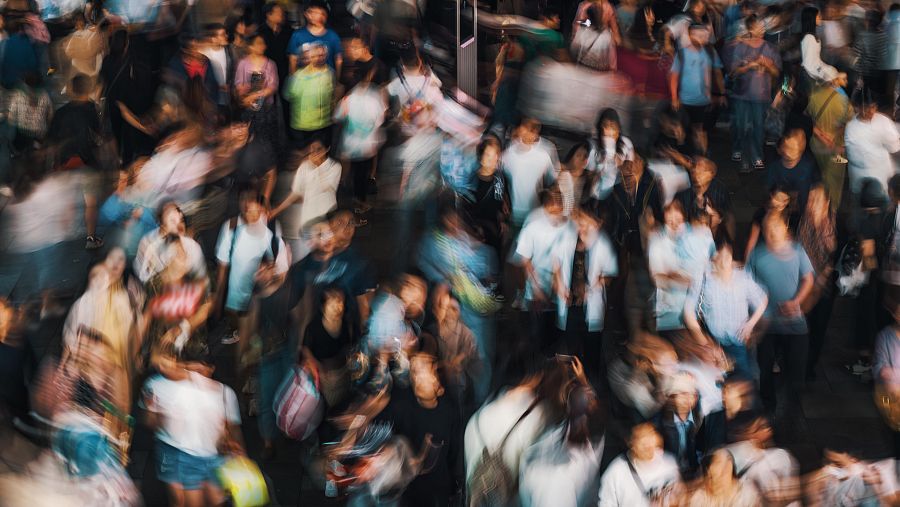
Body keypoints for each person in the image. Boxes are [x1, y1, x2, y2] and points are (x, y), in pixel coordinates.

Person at [141, 347, 244, 507]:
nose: (197, 374)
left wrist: (239, 453)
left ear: (212, 368)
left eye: (201, 369)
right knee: (181, 501)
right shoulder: (172, 389)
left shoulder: (225, 393)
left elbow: (234, 428)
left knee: (218, 501)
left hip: (216, 457)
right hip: (182, 454)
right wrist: (159, 414)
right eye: (191, 369)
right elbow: (152, 423)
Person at [746, 214, 814, 415]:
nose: (771, 232)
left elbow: (808, 279)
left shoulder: (798, 251)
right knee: (764, 368)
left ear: (785, 228)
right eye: (767, 228)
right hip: (767, 323)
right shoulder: (756, 254)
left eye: (775, 227)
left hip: (794, 323)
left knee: (796, 370)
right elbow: (748, 285)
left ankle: (793, 406)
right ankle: (768, 405)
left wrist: (796, 302)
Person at [684, 240, 767, 376]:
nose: (723, 262)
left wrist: (750, 324)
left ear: (732, 258)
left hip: (738, 343)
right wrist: (706, 343)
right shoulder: (703, 279)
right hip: (713, 343)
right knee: (716, 384)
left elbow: (762, 299)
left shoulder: (742, 277)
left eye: (727, 257)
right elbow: (688, 313)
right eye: (718, 257)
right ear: (712, 260)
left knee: (743, 382)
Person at [552, 209, 618, 377]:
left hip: (591, 306)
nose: (581, 228)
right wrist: (559, 284)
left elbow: (610, 275)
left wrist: (592, 288)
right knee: (570, 349)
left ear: (596, 224)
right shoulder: (568, 238)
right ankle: (570, 386)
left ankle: (591, 386)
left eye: (586, 224)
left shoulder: (603, 244)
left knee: (592, 351)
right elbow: (556, 262)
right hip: (570, 304)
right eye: (579, 223)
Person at [270, 139, 341, 260]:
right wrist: (276, 210)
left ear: (326, 149)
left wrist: (317, 167)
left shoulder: (335, 167)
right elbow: (296, 193)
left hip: (325, 218)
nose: (314, 152)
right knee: (302, 255)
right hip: (307, 219)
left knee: (324, 251)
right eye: (311, 149)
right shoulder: (304, 166)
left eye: (318, 149)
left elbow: (326, 188)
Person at [727, 15, 781, 172]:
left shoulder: (770, 48)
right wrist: (750, 66)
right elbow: (733, 72)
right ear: (750, 29)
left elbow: (777, 73)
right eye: (759, 27)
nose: (762, 29)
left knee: (758, 127)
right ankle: (741, 154)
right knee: (741, 126)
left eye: (763, 27)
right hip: (741, 94)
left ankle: (757, 156)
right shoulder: (741, 47)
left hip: (761, 96)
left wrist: (768, 66)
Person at [332, 68, 388, 215]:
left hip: (350, 144)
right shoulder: (374, 99)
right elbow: (380, 119)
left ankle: (353, 200)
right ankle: (360, 203)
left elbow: (337, 117)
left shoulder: (347, 99)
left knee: (355, 173)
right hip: (367, 145)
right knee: (363, 174)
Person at [799, 185, 838, 380]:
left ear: (827, 203)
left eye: (817, 200)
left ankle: (809, 367)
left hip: (824, 289)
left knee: (818, 328)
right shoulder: (802, 223)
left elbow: (836, 260)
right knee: (802, 327)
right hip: (804, 285)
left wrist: (822, 279)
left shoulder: (834, 227)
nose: (811, 204)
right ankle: (799, 365)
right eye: (810, 199)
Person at [668, 23, 725, 156]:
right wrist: (674, 98)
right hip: (684, 100)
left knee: (700, 130)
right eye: (699, 35)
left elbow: (717, 73)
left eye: (705, 36)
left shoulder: (710, 52)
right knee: (682, 131)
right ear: (691, 35)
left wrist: (721, 93)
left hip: (703, 100)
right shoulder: (682, 54)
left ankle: (701, 157)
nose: (703, 39)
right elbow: (674, 77)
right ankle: (685, 157)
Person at [597, 422, 682, 506]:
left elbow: (680, 496)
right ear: (630, 443)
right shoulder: (615, 472)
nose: (647, 442)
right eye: (640, 438)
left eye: (650, 434)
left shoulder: (669, 462)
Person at [806, 68, 852, 210]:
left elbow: (808, 121)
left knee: (817, 178)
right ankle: (831, 211)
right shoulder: (843, 100)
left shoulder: (813, 97)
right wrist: (833, 137)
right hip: (836, 148)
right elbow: (849, 123)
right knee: (834, 183)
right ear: (833, 81)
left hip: (816, 145)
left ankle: (816, 209)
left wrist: (822, 136)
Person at [302, 286, 355, 408]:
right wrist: (320, 370)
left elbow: (347, 348)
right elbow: (305, 350)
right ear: (323, 307)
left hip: (341, 378)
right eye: (332, 304)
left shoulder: (346, 325)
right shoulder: (313, 328)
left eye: (341, 302)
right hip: (321, 380)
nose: (338, 308)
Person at [502, 117, 559, 229]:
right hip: (513, 214)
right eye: (523, 128)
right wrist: (503, 198)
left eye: (530, 130)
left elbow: (552, 182)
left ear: (536, 133)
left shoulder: (543, 156)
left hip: (536, 215)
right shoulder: (507, 155)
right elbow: (499, 180)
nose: (524, 133)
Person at [844, 88, 900, 199]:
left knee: (884, 203)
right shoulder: (850, 127)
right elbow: (852, 155)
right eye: (867, 107)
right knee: (862, 204)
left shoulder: (883, 121)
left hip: (881, 174)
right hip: (859, 176)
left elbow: (895, 147)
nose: (871, 111)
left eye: (873, 107)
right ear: (858, 108)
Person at [463, 136, 509, 258]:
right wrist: (475, 229)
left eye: (496, 155)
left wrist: (503, 220)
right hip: (478, 234)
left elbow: (501, 199)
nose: (493, 159)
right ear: (481, 157)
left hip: (496, 230)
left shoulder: (500, 176)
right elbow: (466, 211)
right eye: (488, 155)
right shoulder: (472, 182)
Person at [284, 44, 334, 151]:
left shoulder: (330, 73)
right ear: (310, 57)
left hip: (322, 125)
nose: (320, 57)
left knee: (321, 156)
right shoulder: (297, 76)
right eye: (316, 55)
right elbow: (288, 95)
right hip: (302, 126)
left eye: (322, 55)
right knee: (304, 156)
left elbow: (333, 95)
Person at [233, 33, 279, 144]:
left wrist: (256, 95)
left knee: (266, 137)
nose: (262, 46)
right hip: (248, 107)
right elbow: (239, 83)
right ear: (250, 46)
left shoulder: (270, 64)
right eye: (259, 43)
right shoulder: (243, 64)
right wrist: (245, 95)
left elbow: (273, 86)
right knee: (249, 137)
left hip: (266, 108)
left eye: (263, 44)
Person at [766, 129, 820, 214]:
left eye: (793, 149)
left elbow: (817, 185)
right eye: (786, 147)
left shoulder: (809, 165)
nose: (788, 153)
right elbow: (770, 187)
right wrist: (775, 195)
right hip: (781, 211)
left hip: (804, 212)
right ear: (781, 148)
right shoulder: (775, 166)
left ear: (801, 151)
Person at [685, 448, 761, 506]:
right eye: (717, 462)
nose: (712, 483)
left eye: (729, 461)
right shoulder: (701, 497)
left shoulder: (747, 493)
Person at [589, 108, 635, 202]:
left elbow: (629, 172)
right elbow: (589, 180)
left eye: (613, 127)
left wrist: (620, 165)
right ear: (600, 129)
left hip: (617, 192)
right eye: (605, 126)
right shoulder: (592, 147)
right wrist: (602, 164)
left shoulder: (626, 144)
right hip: (596, 194)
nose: (609, 131)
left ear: (618, 131)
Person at [287, 0, 343, 76]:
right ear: (306, 14)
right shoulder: (298, 35)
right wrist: (292, 79)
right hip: (304, 81)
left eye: (317, 12)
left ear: (324, 15)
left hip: (327, 82)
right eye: (311, 12)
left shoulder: (332, 36)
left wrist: (337, 81)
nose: (313, 15)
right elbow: (293, 59)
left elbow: (338, 59)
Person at [800, 6, 840, 86]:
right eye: (818, 16)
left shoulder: (813, 36)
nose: (820, 17)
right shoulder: (809, 38)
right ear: (812, 18)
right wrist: (824, 76)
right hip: (814, 75)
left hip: (818, 70)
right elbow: (809, 65)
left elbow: (816, 61)